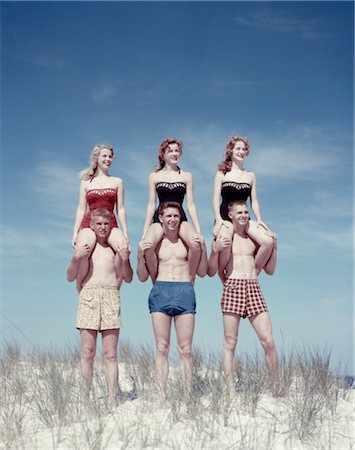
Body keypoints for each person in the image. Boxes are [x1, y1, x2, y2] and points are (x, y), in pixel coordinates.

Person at [140, 201, 207, 406]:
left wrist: (203, 248)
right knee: (162, 347)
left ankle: (187, 396)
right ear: (161, 218)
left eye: (176, 216)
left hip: (185, 290)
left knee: (185, 349)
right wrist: (140, 253)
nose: (172, 220)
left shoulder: (187, 243)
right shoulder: (156, 243)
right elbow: (144, 275)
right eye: (168, 216)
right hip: (161, 290)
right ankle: (160, 394)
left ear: (181, 219)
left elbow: (203, 271)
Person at [208, 200, 278, 394]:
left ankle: (276, 386)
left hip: (253, 286)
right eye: (239, 212)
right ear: (230, 215)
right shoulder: (226, 238)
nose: (244, 215)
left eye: (246, 212)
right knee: (230, 342)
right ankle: (229, 388)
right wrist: (214, 251)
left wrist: (275, 245)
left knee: (268, 341)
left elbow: (270, 270)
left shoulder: (254, 240)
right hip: (233, 287)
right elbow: (213, 270)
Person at [67, 208, 133, 410]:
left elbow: (128, 277)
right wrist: (76, 258)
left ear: (111, 225)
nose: (103, 227)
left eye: (106, 224)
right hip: (90, 294)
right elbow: (70, 277)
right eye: (99, 224)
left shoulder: (115, 248)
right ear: (92, 226)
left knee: (110, 354)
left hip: (111, 294)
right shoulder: (86, 248)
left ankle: (113, 398)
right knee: (87, 352)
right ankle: (85, 400)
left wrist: (124, 258)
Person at [141, 137, 202, 282]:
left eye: (177, 151)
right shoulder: (154, 176)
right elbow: (151, 204)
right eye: (171, 151)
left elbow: (191, 204)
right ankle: (155, 281)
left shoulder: (187, 176)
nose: (175, 154)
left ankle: (191, 279)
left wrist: (198, 229)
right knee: (147, 245)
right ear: (163, 154)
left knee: (195, 243)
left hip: (180, 218)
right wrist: (145, 231)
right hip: (159, 218)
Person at [212, 136, 274, 276]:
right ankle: (222, 274)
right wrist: (218, 220)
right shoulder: (222, 174)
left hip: (243, 217)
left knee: (268, 242)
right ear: (231, 151)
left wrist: (259, 219)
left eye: (244, 149)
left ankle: (254, 271)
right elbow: (215, 198)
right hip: (225, 217)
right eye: (238, 148)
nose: (241, 151)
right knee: (226, 243)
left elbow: (254, 201)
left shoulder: (250, 175)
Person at [72, 143, 129, 291]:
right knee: (83, 250)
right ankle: (80, 286)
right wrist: (75, 231)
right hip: (89, 223)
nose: (108, 159)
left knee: (122, 247)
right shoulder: (85, 182)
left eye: (110, 156)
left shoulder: (117, 182)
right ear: (97, 157)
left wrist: (125, 231)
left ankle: (117, 284)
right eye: (104, 156)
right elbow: (80, 208)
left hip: (110, 222)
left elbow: (121, 208)